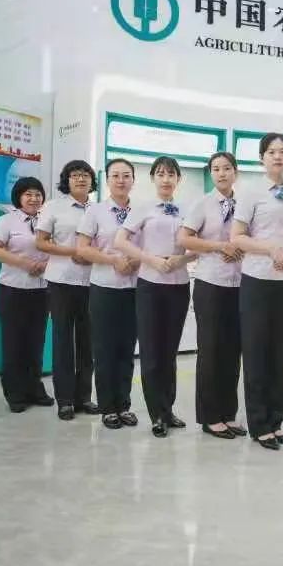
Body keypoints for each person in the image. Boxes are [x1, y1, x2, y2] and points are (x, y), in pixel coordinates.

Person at [230, 133, 283, 451]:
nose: (278, 156)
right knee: (257, 352)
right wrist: (270, 249)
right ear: (262, 157)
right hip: (258, 279)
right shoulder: (251, 192)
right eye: (272, 151)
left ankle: (276, 421)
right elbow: (237, 237)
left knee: (279, 354)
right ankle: (259, 425)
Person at [114, 156, 195, 439]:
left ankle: (168, 409)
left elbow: (198, 246)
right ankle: (156, 415)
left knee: (169, 352)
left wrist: (182, 259)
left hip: (179, 283)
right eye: (160, 174)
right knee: (151, 351)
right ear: (152, 178)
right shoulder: (142, 208)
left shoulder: (188, 209)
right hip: (150, 284)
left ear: (178, 179)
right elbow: (120, 241)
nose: (166, 179)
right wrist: (150, 259)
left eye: (171, 174)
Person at [178, 152, 246, 440]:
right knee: (211, 350)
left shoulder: (245, 203)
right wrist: (220, 247)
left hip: (241, 283)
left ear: (235, 172)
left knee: (233, 351)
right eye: (216, 169)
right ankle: (210, 417)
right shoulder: (203, 203)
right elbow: (184, 238)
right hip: (211, 283)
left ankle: (228, 413)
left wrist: (241, 248)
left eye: (227, 168)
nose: (221, 173)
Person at [76, 158, 140, 430]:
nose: (121, 180)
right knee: (104, 349)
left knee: (126, 349)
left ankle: (123, 404)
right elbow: (82, 248)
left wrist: (135, 261)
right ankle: (107, 407)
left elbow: (148, 245)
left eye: (126, 175)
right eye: (115, 175)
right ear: (107, 180)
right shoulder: (96, 212)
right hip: (104, 287)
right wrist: (112, 260)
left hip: (135, 288)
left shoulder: (141, 211)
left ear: (133, 180)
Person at [36, 160, 96, 420]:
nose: (81, 179)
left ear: (92, 180)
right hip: (61, 281)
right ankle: (65, 400)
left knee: (87, 341)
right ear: (67, 180)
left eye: (85, 175)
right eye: (75, 175)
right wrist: (74, 251)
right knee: (63, 340)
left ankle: (84, 397)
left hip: (93, 282)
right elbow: (41, 242)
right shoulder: (54, 206)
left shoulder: (98, 209)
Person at [0, 177, 51, 412]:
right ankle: (15, 393)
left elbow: (57, 249)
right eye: (28, 194)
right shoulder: (7, 220)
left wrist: (45, 265)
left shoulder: (47, 220)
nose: (34, 199)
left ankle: (35, 389)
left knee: (36, 342)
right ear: (19, 197)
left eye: (38, 194)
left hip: (42, 289)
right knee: (14, 343)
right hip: (13, 289)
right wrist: (24, 263)